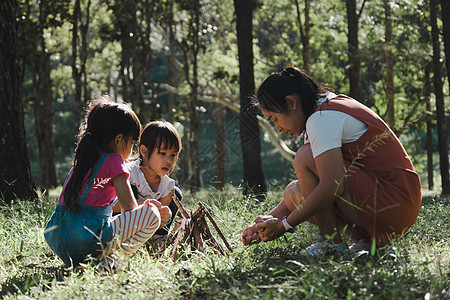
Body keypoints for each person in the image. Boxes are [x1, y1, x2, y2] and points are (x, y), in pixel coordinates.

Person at [241, 67, 421, 257]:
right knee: (294, 192)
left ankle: (331, 244)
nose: (278, 129)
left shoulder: (321, 118)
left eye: (275, 119)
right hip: (394, 206)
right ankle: (366, 241)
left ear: (291, 102)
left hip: (395, 203)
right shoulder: (322, 110)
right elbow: (317, 187)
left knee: (304, 157)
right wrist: (265, 224)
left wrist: (284, 225)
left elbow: (331, 185)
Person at [44, 96, 171, 267]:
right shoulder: (113, 160)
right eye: (132, 142)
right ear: (118, 140)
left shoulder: (85, 158)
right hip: (86, 239)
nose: (132, 149)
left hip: (60, 239)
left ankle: (94, 261)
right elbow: (129, 208)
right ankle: (111, 263)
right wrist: (148, 208)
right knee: (152, 215)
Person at [113, 120, 183, 238]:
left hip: (150, 231)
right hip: (123, 228)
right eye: (162, 153)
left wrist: (165, 217)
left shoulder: (167, 186)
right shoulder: (128, 173)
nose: (168, 160)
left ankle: (157, 242)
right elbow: (112, 205)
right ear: (144, 151)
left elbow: (159, 222)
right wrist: (141, 205)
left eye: (173, 155)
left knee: (177, 194)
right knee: (130, 188)